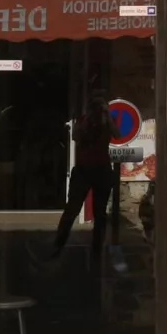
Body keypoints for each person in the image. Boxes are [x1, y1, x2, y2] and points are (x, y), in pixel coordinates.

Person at [49, 96, 118, 263]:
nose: (97, 112)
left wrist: (107, 116)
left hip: (100, 169)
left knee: (99, 213)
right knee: (72, 209)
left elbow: (117, 134)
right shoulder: (83, 121)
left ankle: (97, 250)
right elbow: (75, 136)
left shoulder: (106, 122)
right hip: (84, 169)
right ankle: (58, 244)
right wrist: (89, 120)